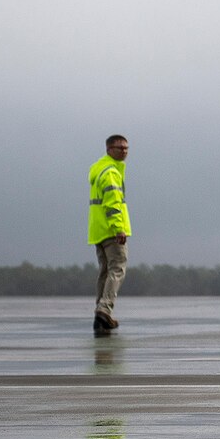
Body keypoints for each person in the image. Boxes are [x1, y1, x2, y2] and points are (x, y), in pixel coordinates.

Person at [88, 134, 131, 336]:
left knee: (105, 272)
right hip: (111, 230)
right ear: (109, 150)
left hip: (98, 231)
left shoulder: (100, 170)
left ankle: (101, 314)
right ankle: (104, 309)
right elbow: (112, 203)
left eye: (126, 148)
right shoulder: (111, 172)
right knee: (117, 269)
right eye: (119, 147)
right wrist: (118, 228)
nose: (124, 151)